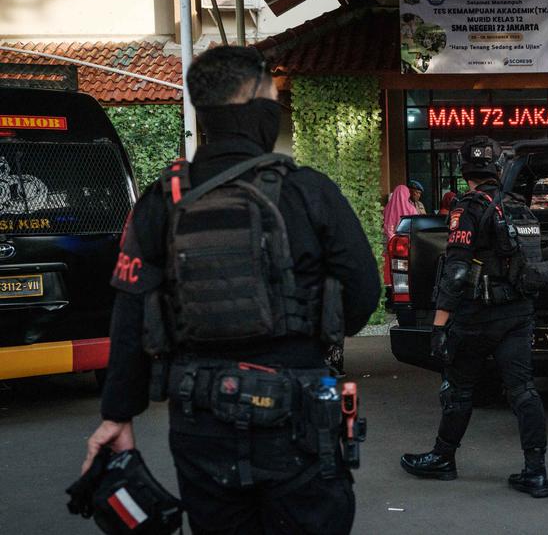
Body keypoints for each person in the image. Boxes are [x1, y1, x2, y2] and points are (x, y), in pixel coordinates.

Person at [84, 45, 380, 534]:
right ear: (251, 103)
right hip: (298, 415)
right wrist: (310, 338)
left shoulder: (163, 200)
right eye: (271, 96)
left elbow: (130, 309)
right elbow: (362, 294)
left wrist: (118, 414)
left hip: (200, 417)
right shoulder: (308, 190)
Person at [400, 136, 548, 498]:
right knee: (524, 392)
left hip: (477, 317)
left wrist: (438, 327)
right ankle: (536, 472)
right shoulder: (519, 206)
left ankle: (443, 458)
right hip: (518, 314)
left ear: (465, 169)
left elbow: (455, 271)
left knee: (459, 388)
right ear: (497, 168)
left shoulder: (467, 207)